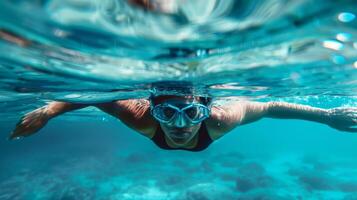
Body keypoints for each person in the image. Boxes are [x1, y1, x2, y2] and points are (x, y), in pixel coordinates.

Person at [8, 84, 357, 152]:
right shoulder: (139, 115)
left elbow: (267, 106)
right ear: (153, 108)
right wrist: (47, 111)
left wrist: (324, 116)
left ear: (206, 110)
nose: (179, 124)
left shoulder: (222, 118)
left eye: (191, 112)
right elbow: (96, 95)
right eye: (167, 112)